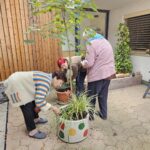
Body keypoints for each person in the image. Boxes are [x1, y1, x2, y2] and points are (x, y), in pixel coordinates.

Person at [4, 71, 67, 139]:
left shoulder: (48, 78)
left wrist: (39, 105)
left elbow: (39, 98)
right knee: (26, 105)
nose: (60, 85)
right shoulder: (46, 82)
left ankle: (35, 119)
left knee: (33, 101)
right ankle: (32, 131)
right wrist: (53, 108)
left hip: (20, 82)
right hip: (16, 84)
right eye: (60, 83)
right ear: (55, 78)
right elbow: (39, 101)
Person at [81, 29, 116, 120]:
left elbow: (89, 63)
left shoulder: (91, 43)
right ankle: (104, 114)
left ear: (88, 36)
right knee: (103, 95)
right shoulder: (106, 41)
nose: (86, 40)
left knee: (91, 97)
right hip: (109, 73)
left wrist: (82, 62)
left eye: (86, 38)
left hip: (97, 75)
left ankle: (90, 117)